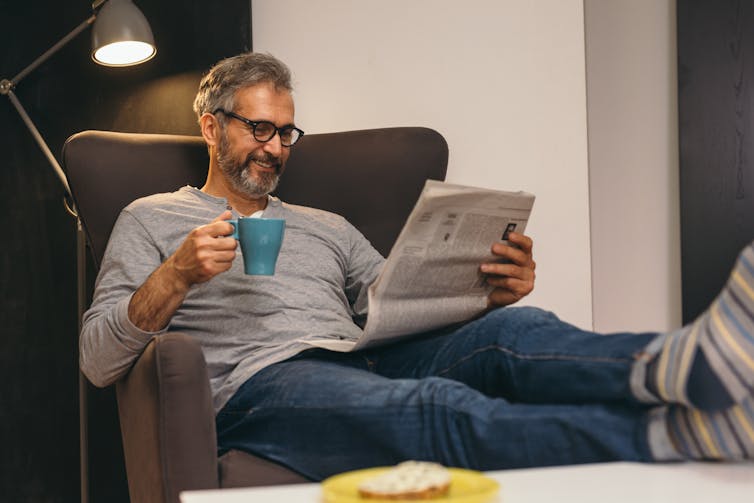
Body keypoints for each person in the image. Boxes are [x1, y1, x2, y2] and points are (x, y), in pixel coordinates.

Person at [80, 52, 754, 480]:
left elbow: (394, 305)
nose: (276, 148)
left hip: (363, 356)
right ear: (210, 125)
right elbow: (96, 358)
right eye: (259, 128)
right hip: (263, 386)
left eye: (286, 132)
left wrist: (487, 292)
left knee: (513, 334)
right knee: (437, 406)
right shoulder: (153, 217)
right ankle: (676, 432)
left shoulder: (327, 225)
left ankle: (681, 364)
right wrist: (174, 274)